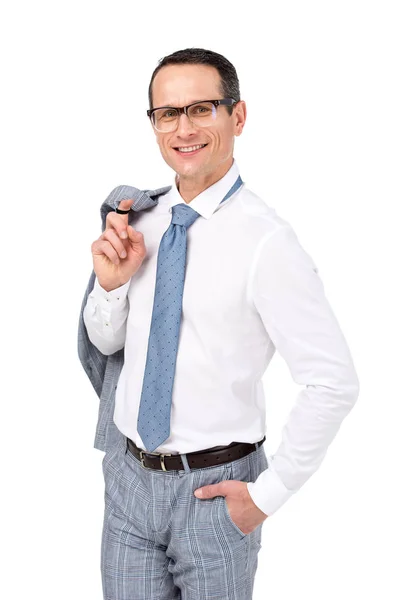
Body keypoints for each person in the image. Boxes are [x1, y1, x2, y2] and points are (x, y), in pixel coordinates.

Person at [79, 47, 360, 600]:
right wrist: (111, 286)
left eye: (202, 108)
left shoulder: (266, 242)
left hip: (215, 493)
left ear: (238, 117)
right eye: (168, 113)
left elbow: (333, 381)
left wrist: (268, 495)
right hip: (128, 484)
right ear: (155, 125)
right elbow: (107, 343)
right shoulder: (136, 219)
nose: (184, 128)